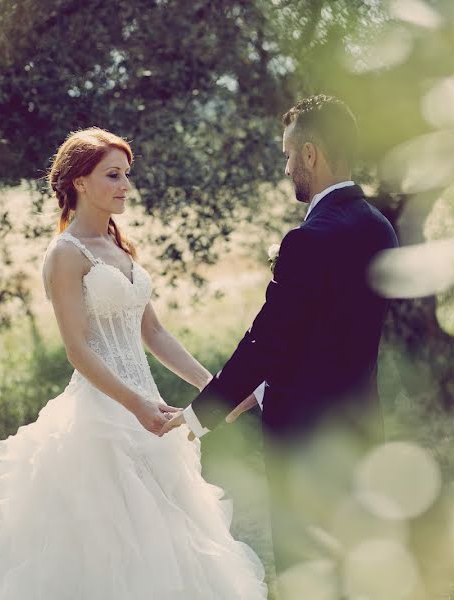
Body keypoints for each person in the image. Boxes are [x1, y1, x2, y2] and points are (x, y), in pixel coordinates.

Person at [0, 128, 266, 599]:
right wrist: (134, 405)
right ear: (79, 182)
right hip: (103, 415)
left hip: (150, 413)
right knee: (100, 548)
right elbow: (78, 349)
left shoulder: (122, 248)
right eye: (112, 175)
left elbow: (153, 333)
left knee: (166, 542)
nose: (125, 186)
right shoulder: (66, 255)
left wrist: (216, 387)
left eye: (126, 175)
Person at [161, 95, 399, 593]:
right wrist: (259, 391)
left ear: (311, 154)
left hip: (304, 437)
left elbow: (268, 340)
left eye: (289, 154)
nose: (287, 166)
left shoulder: (310, 239)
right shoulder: (380, 229)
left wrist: (200, 416)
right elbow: (332, 336)